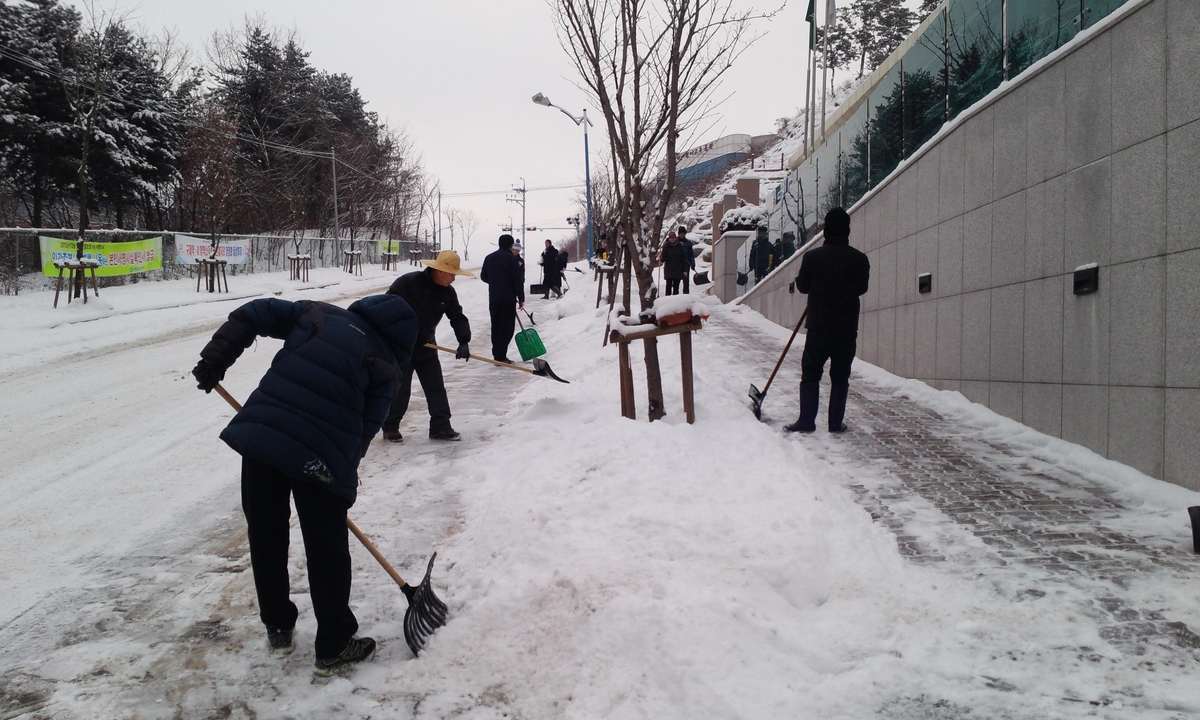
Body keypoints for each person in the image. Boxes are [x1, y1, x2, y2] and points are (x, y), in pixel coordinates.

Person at [190, 293, 418, 676]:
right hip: (322, 460)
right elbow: (364, 431)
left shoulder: (318, 315)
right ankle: (333, 643)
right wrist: (340, 485)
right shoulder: (387, 367)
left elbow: (253, 313)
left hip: (263, 437)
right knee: (326, 548)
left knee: (266, 533)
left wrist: (216, 359)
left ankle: (278, 625)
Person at [785, 207, 870, 434]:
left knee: (811, 372)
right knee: (841, 374)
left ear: (826, 231)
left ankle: (806, 421)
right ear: (847, 231)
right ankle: (835, 423)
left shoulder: (812, 258)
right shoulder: (860, 259)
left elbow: (802, 286)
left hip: (819, 326)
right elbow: (862, 288)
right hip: (846, 327)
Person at [383, 250, 473, 443]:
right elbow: (386, 310)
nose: (454, 279)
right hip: (402, 348)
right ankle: (390, 427)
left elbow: (456, 316)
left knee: (436, 387)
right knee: (401, 390)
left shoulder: (448, 293)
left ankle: (441, 427)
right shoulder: (408, 283)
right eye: (452, 274)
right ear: (440, 271)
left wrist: (463, 340)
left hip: (427, 347)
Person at [480, 234, 526, 363]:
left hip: (494, 298)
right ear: (511, 245)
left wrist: (495, 282)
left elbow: (483, 276)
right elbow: (518, 281)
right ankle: (500, 355)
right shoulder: (511, 259)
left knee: (496, 325)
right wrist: (521, 298)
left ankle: (497, 354)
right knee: (507, 327)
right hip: (508, 298)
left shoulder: (489, 258)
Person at [659, 230, 690, 296]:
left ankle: (675, 303)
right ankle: (667, 302)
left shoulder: (680, 246)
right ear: (669, 238)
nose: (672, 239)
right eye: (671, 238)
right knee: (668, 287)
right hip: (669, 270)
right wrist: (661, 258)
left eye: (673, 238)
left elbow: (683, 259)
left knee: (676, 288)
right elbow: (663, 259)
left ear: (676, 238)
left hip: (678, 270)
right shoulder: (666, 247)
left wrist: (685, 270)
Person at [678, 225, 696, 294]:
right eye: (681, 233)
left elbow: (691, 254)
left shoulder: (688, 243)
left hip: (686, 264)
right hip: (677, 264)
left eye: (683, 233)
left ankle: (686, 295)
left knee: (686, 281)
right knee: (677, 281)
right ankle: (675, 297)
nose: (682, 234)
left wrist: (693, 264)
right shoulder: (675, 242)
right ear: (679, 234)